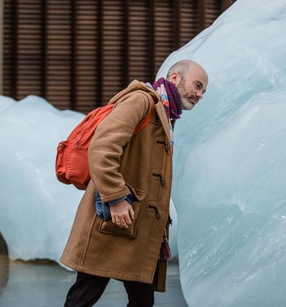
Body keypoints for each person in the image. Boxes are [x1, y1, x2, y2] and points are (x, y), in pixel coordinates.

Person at [60, 59, 209, 306]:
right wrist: (116, 198)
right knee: (83, 297)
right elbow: (102, 148)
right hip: (114, 221)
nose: (200, 94)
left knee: (141, 301)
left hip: (138, 229)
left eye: (203, 90)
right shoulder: (141, 101)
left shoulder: (166, 113)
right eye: (197, 85)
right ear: (174, 78)